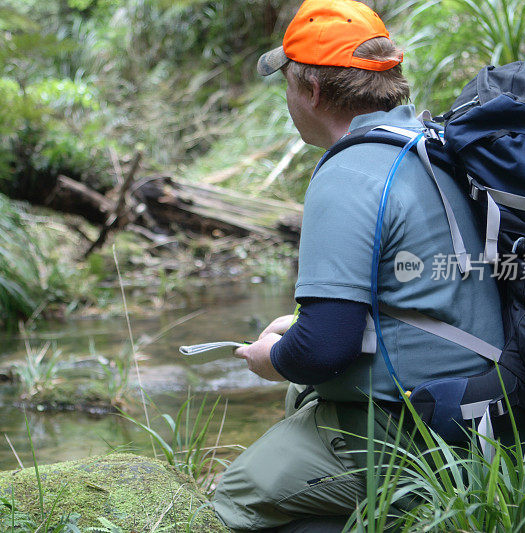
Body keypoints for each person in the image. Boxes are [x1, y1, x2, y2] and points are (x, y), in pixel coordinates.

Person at [211, 1, 505, 531]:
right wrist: (295, 332)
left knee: (234, 500)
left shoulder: (349, 174)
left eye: (287, 84)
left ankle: (400, 509)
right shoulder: (428, 144)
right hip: (490, 416)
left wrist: (269, 357)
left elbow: (324, 348)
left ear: (313, 91)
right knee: (299, 391)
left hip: (425, 435)